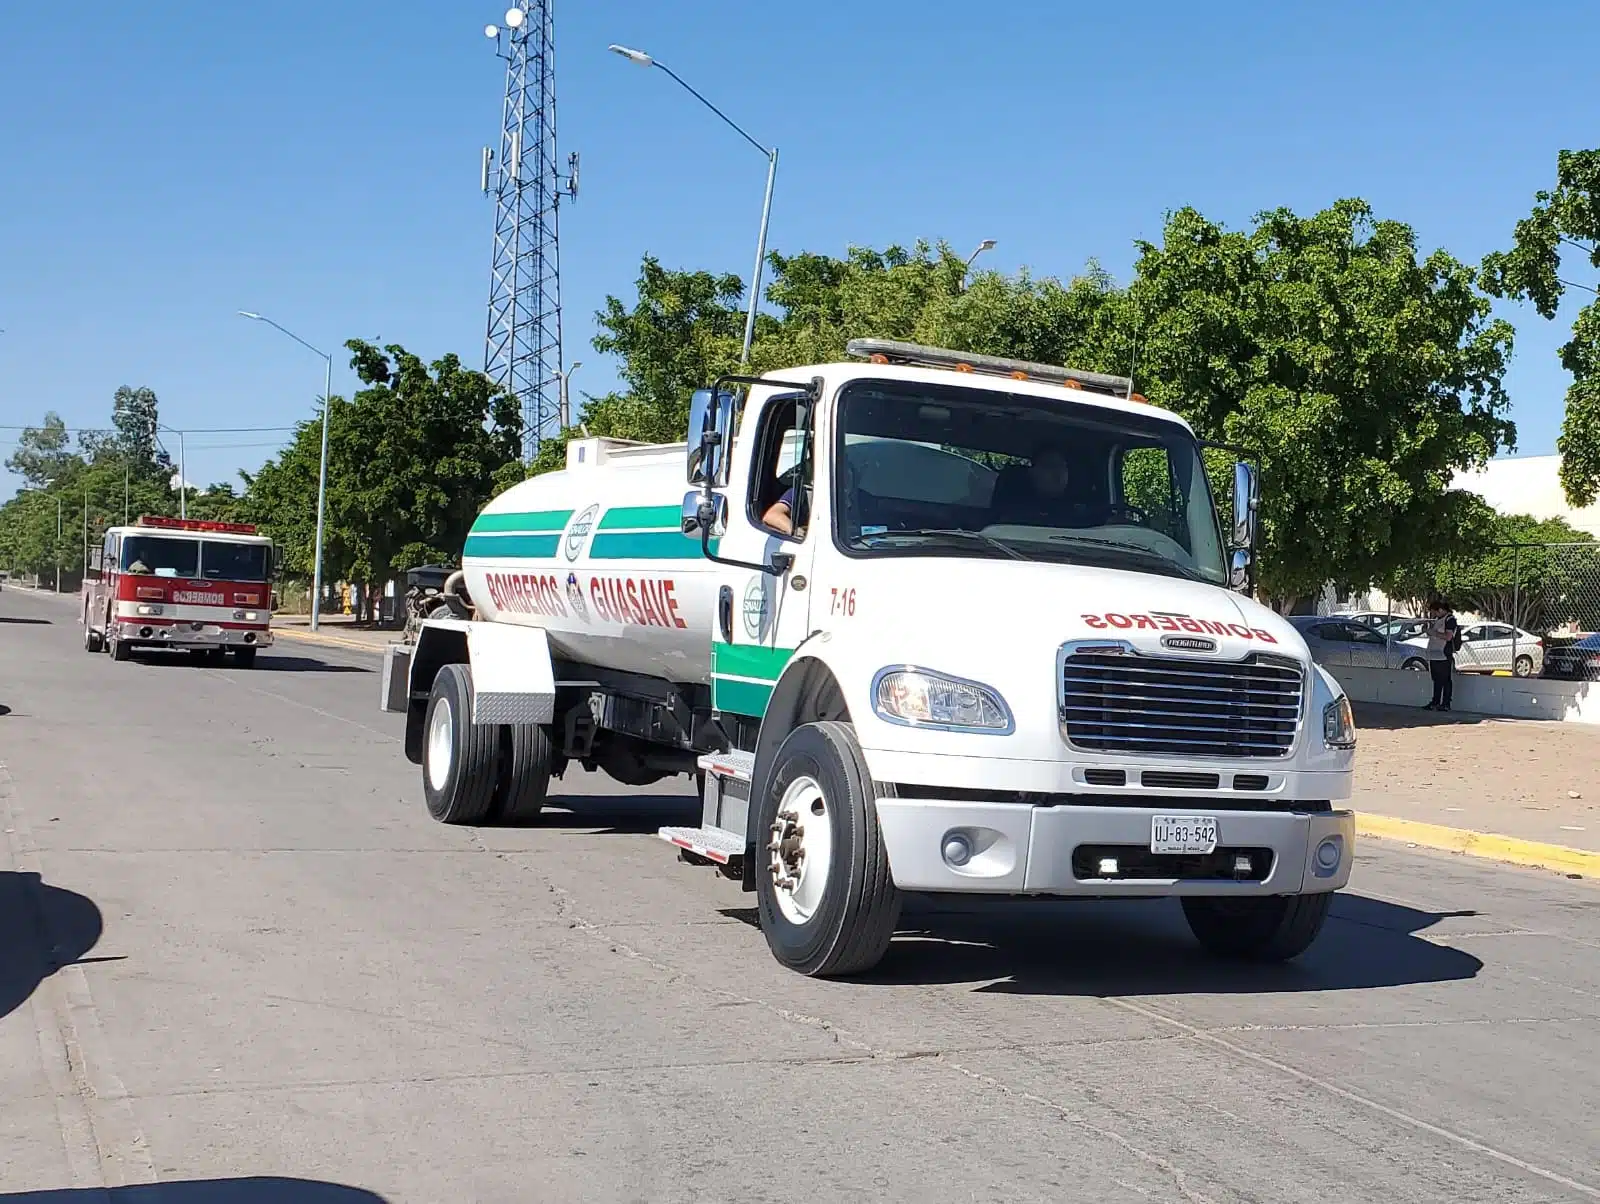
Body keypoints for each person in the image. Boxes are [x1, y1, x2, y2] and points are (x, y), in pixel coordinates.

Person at [1422, 597, 1459, 712]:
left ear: (1441, 609)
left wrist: (1433, 632)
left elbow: (1448, 637)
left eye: (1434, 612)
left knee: (1445, 679)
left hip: (1443, 653)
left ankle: (1446, 703)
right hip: (1435, 654)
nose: (1433, 614)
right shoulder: (1439, 620)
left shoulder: (1450, 620)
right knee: (1436, 679)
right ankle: (1435, 702)